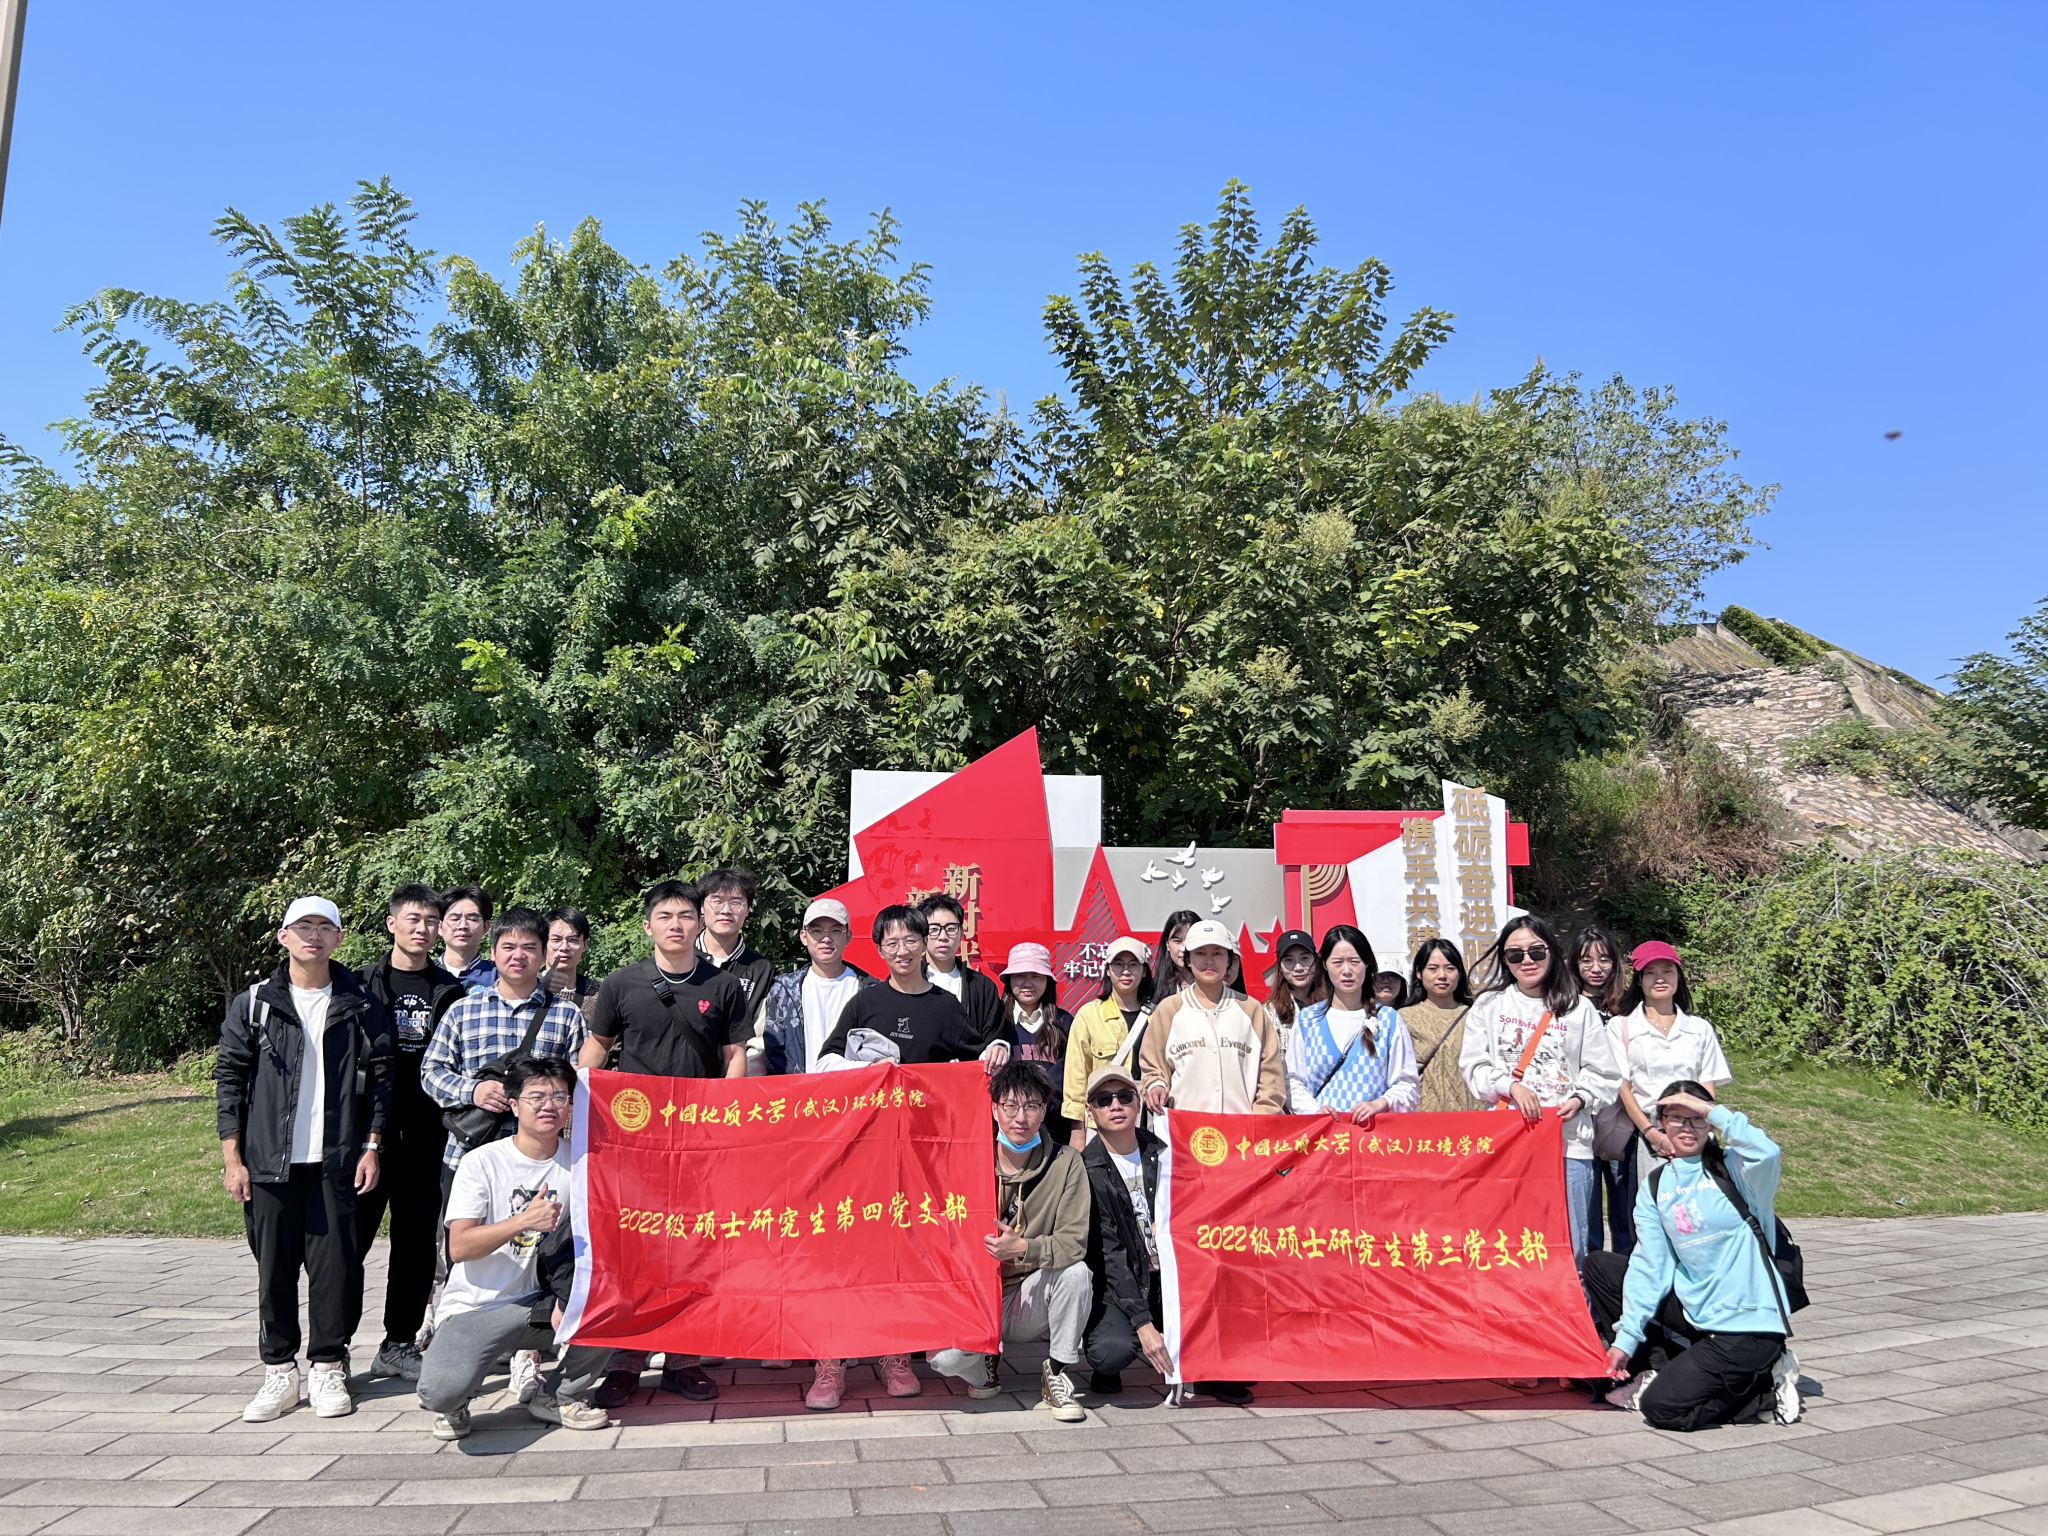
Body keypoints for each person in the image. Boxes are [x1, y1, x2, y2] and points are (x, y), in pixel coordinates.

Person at [806, 904, 1009, 1411]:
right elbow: (825, 1061)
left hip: (920, 1159)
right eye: (891, 943)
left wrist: (999, 1047)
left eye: (910, 940)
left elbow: (979, 1059)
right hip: (862, 1153)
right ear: (879, 950)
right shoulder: (864, 1001)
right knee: (848, 1254)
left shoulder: (946, 1006)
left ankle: (894, 1354)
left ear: (925, 944)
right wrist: (872, 1071)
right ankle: (831, 1361)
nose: (902, 951)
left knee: (901, 1254)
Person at [215, 895, 393, 1423]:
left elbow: (381, 1082)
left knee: (335, 1269)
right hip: (269, 1161)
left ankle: (328, 1365)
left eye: (324, 927)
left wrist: (372, 1146)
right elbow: (229, 1081)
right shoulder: (255, 1004)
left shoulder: (360, 1004)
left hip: (337, 1160)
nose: (313, 935)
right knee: (273, 1270)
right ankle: (279, 1371)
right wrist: (233, 1159)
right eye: (303, 926)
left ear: (339, 937)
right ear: (284, 936)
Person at [576, 880, 751, 1406]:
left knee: (694, 1247)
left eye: (685, 916)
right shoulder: (621, 984)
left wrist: (727, 1120)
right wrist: (578, 1107)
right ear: (648, 924)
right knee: (637, 1246)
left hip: (699, 1139)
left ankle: (684, 1358)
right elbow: (597, 1049)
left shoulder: (723, 986)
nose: (676, 925)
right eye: (665, 916)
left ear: (699, 923)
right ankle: (626, 1359)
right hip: (635, 1140)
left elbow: (735, 1056)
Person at [1581, 1082, 1801, 1431]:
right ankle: (1655, 1369)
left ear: (1709, 1123)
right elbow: (1650, 1266)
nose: (1687, 1127)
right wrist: (1626, 1340)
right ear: (1661, 1123)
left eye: (1696, 1118)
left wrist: (1712, 1110)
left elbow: (1767, 1151)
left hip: (1747, 1325)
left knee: (1661, 1409)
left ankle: (1765, 1391)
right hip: (1697, 1314)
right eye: (1676, 1118)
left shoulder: (1736, 1170)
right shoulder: (1656, 1186)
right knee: (1601, 1265)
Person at [415, 1057, 613, 1438]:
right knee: (440, 1392)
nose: (549, 1105)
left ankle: (558, 1396)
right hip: (479, 1306)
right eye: (536, 1096)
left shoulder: (583, 1161)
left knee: (608, 1304)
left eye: (559, 1096)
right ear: (514, 1105)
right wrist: (523, 1221)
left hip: (543, 1303)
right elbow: (459, 1247)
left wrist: (568, 1296)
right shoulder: (481, 1162)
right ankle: (460, 1395)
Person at [929, 1062, 1092, 1424]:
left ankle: (1057, 1373)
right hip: (975, 1296)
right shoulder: (968, 1158)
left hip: (1027, 1296)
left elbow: (1073, 1244)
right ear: (994, 1109)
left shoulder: (1066, 1163)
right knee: (943, 1359)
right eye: (1011, 1106)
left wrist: (1023, 1249)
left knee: (1077, 1274)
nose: (1021, 1118)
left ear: (1044, 1110)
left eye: (1032, 1106)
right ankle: (984, 1367)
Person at [1458, 915, 1621, 1258]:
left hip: (1567, 1143)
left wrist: (1580, 1099)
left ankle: (1576, 1294)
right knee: (1508, 1243)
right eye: (1515, 954)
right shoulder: (1489, 1006)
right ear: (1504, 959)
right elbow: (1473, 1067)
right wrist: (1509, 1087)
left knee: (1569, 1246)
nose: (1527, 961)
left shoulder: (1579, 1009)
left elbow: (1604, 1075)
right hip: (1506, 1143)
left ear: (1552, 952)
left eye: (1536, 951)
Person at [356, 885, 466, 1383]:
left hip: (427, 1135)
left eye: (430, 921)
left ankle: (398, 1343)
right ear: (392, 923)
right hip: (366, 1138)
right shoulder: (359, 985)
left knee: (416, 1244)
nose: (422, 929)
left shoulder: (450, 991)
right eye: (413, 919)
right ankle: (333, 1348)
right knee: (348, 1245)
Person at [424, 908, 587, 1178]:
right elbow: (431, 1071)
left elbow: (581, 1084)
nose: (518, 955)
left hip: (542, 1162)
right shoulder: (462, 1011)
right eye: (509, 947)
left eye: (529, 947)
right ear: (493, 952)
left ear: (543, 953)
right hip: (469, 1157)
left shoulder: (566, 1014)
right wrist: (473, 1090)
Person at [1077, 1065, 1177, 1397]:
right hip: (1118, 1285)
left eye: (1124, 1096)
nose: (1116, 1106)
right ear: (1090, 1111)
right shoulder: (1086, 1169)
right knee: (1111, 1352)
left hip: (1172, 1279)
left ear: (1138, 1102)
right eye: (1104, 1100)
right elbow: (1110, 1255)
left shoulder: (1166, 1151)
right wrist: (1142, 1323)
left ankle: (1210, 1370)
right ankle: (1121, 1345)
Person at [1137, 919, 1286, 1116]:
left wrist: (1260, 1117)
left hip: (1242, 1130)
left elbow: (1271, 1075)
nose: (1209, 961)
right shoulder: (1169, 1010)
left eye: (1217, 953)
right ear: (1188, 960)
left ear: (1229, 960)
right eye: (1200, 953)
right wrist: (1156, 1085)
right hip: (1187, 1130)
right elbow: (1153, 1065)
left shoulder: (1251, 1010)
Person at [1611, 942, 1734, 1170]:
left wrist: (1696, 1128)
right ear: (1639, 980)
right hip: (1645, 1134)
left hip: (1693, 1133)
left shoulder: (1700, 1029)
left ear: (1678, 976)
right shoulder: (1620, 1027)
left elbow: (1706, 1088)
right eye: (1650, 972)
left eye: (1667, 971)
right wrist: (1651, 1134)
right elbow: (1622, 1087)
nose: (1660, 978)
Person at [1286, 924, 1418, 1119]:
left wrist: (1381, 1103)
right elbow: (1293, 1081)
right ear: (1324, 965)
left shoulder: (1388, 1020)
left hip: (1372, 1134)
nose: (1346, 971)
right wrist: (1313, 1111)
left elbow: (1407, 1085)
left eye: (1354, 961)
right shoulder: (1308, 1020)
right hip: (1323, 1133)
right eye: (1337, 962)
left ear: (1367, 963)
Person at [759, 897, 873, 1076]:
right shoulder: (783, 991)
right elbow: (774, 1054)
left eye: (835, 931)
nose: (826, 939)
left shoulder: (869, 990)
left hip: (854, 1088)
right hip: (799, 1090)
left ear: (847, 936)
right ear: (804, 937)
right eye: (817, 931)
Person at [1571, 925, 1633, 1253]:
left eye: (1604, 960)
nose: (1596, 968)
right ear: (1574, 964)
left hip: (1621, 1115)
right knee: (1586, 1203)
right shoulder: (1564, 1006)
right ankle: (1592, 1269)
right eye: (1586, 961)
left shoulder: (1629, 1006)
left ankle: (1627, 1268)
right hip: (1578, 1115)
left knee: (1626, 1202)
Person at [1061, 937, 1153, 1145]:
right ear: (1108, 970)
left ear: (1144, 971)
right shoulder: (1089, 1015)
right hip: (1101, 1120)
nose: (1126, 971)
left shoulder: (1158, 1016)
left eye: (1133, 964)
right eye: (1118, 964)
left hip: (1148, 1120)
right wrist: (1078, 1131)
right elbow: (1076, 1078)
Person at [695, 867, 777, 1066]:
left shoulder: (761, 969)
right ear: (702, 907)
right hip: (683, 1075)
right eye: (717, 901)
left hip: (737, 1075)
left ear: (747, 910)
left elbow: (760, 1036)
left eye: (736, 902)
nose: (726, 910)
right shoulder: (682, 960)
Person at [997, 943, 1073, 1144]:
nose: (1027, 983)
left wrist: (1041, 1100)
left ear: (1048, 981)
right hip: (1008, 1128)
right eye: (1020, 975)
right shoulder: (996, 1021)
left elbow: (1071, 1070)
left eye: (1036, 976)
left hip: (1055, 1129)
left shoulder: (1064, 1022)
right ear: (1009, 980)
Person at [1400, 938, 1482, 1113]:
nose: (1442, 975)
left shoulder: (1475, 1017)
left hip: (1471, 1117)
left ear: (1459, 973)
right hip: (1423, 1118)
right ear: (1418, 973)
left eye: (1450, 968)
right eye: (1433, 968)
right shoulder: (1404, 1018)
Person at [917, 893, 1004, 1045]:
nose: (943, 936)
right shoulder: (907, 982)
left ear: (961, 933)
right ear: (922, 934)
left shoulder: (982, 987)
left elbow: (993, 1039)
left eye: (951, 929)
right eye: (934, 929)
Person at [1262, 929, 1325, 1054]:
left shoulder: (1332, 1005)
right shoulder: (1269, 1012)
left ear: (1316, 961)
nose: (1298, 968)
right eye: (1289, 960)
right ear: (1280, 966)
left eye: (1305, 958)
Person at [439, 886, 497, 995]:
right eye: (455, 919)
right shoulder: (424, 975)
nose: (463, 926)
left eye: (472, 919)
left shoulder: (498, 978)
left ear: (485, 927)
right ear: (439, 927)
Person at [545, 906, 601, 1015]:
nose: (564, 947)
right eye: (556, 940)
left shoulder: (599, 995)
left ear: (584, 945)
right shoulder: (526, 990)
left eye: (573, 940)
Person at [1150, 909, 1200, 998]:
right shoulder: (1152, 988)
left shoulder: (1215, 987)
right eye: (1177, 941)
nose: (1183, 948)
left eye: (1189, 941)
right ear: (1167, 944)